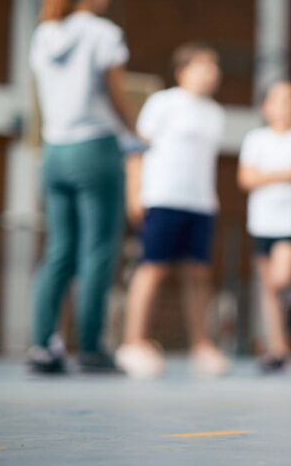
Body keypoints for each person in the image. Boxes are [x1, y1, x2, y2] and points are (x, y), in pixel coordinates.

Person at [27, 0, 135, 374]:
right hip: (94, 148)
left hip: (54, 151)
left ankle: (43, 345)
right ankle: (90, 347)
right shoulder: (103, 32)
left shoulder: (44, 33)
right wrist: (134, 131)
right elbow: (114, 89)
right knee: (97, 250)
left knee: (58, 250)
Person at [116, 43, 229, 379]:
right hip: (162, 198)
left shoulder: (215, 114)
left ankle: (201, 344)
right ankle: (132, 342)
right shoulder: (162, 103)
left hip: (200, 203)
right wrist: (134, 193)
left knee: (199, 273)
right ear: (182, 72)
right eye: (203, 65)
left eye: (214, 66)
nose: (212, 72)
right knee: (152, 268)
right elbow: (137, 150)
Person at [238, 81, 291, 373]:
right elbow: (246, 179)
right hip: (262, 221)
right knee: (268, 289)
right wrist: (287, 174)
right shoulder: (256, 138)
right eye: (277, 100)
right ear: (265, 107)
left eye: (290, 100)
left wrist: (267, 175)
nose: (284, 107)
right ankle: (278, 348)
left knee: (280, 279)